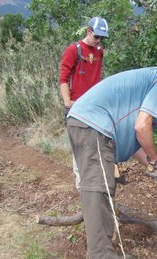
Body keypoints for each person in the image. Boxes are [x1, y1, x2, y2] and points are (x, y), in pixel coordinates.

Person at [66, 61, 157, 259]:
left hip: (88, 125)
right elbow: (142, 128)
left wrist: (156, 167)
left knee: (104, 202)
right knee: (98, 204)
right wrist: (154, 160)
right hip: (93, 127)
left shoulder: (146, 83)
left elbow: (134, 143)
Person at [59, 16, 109, 190]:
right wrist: (68, 103)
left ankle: (96, 182)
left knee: (96, 144)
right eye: (96, 36)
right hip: (78, 107)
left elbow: (96, 77)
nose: (98, 41)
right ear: (89, 31)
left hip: (95, 106)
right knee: (79, 147)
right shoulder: (74, 50)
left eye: (102, 38)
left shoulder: (99, 51)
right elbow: (63, 79)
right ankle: (82, 187)